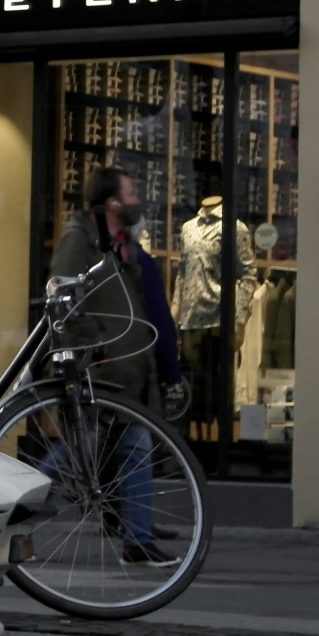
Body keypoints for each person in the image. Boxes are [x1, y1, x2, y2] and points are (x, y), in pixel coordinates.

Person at [48, 165, 187, 568]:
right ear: (111, 202)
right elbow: (62, 294)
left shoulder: (121, 246)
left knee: (133, 447)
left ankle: (137, 540)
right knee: (77, 449)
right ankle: (15, 506)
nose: (136, 200)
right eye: (129, 193)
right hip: (103, 367)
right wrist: (95, 343)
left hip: (127, 370)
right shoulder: (81, 241)